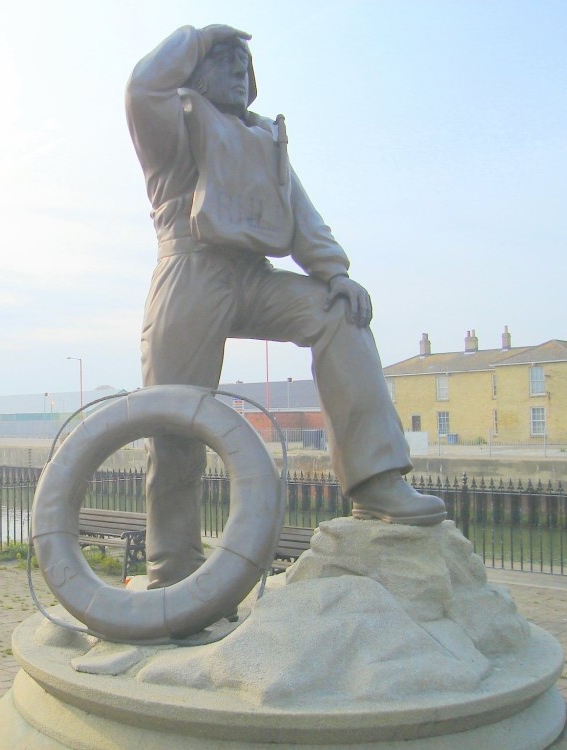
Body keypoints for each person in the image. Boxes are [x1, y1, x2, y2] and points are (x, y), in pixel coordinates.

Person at [126, 24, 446, 590]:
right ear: (196, 71)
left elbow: (302, 217)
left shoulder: (264, 138)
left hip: (255, 275)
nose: (237, 68)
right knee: (174, 424)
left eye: (244, 62)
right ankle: (172, 577)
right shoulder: (173, 124)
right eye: (223, 59)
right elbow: (142, 85)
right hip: (190, 272)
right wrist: (198, 37)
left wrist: (335, 273)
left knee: (339, 313)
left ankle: (375, 484)